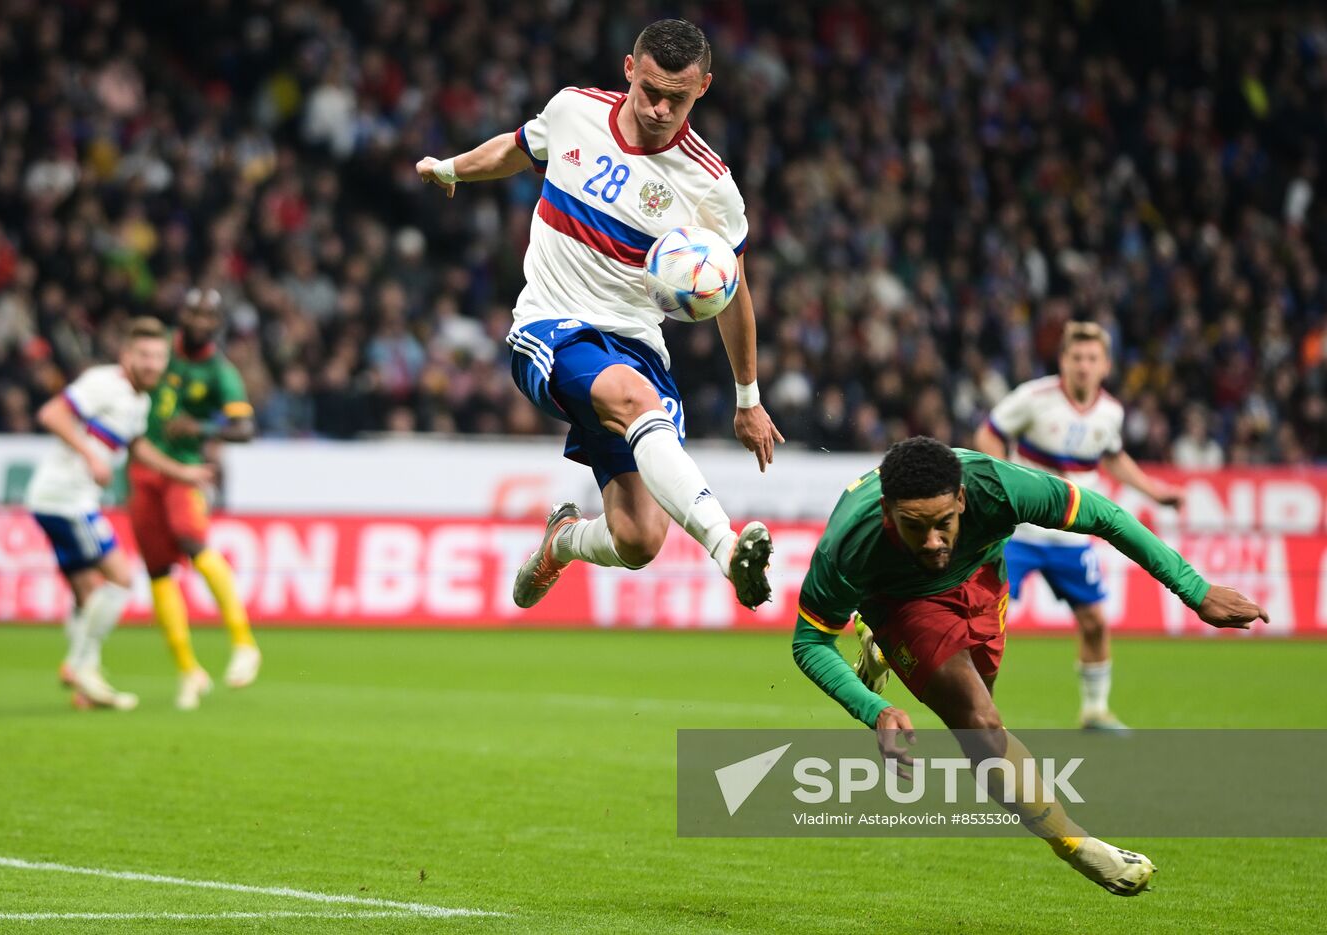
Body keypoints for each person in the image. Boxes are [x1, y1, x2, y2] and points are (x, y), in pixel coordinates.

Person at [792, 437, 1266, 896]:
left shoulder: (996, 487)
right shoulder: (849, 544)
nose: (933, 541)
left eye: (943, 523)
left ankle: (883, 649)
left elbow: (1106, 516)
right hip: (901, 602)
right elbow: (810, 642)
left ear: (961, 498)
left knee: (984, 701)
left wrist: (1196, 591)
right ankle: (1074, 843)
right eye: (915, 526)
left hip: (982, 578)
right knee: (981, 725)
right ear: (886, 512)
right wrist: (873, 708)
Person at [415, 18, 781, 612]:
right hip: (551, 327)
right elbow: (517, 148)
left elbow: (733, 288)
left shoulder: (711, 185)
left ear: (704, 88)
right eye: (651, 92)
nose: (661, 109)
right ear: (629, 70)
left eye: (678, 98)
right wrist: (452, 168)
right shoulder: (573, 111)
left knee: (639, 539)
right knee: (634, 401)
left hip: (636, 345)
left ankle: (562, 542)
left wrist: (748, 398)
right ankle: (726, 546)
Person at [973, 321, 1184, 731]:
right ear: (1063, 361)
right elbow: (988, 434)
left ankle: (1095, 710)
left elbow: (1113, 457)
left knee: (1095, 622)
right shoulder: (1033, 398)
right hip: (1020, 533)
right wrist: (1005, 480)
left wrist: (1153, 491)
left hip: (1072, 538)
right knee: (987, 622)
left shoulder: (1111, 412)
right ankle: (975, 714)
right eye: (1076, 358)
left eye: (1092, 358)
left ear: (1105, 365)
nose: (1084, 366)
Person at [25, 317, 214, 710]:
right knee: (121, 577)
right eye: (143, 355)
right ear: (126, 355)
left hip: (64, 500)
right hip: (65, 499)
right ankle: (79, 666)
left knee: (87, 592)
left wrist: (184, 473)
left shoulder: (139, 401)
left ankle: (85, 689)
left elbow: (138, 448)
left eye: (159, 357)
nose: (152, 364)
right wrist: (91, 456)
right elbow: (52, 415)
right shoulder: (103, 383)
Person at [128, 288, 259, 711]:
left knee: (191, 539)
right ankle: (189, 671)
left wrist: (202, 429)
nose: (200, 319)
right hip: (141, 467)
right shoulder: (158, 348)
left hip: (184, 470)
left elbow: (244, 429)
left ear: (218, 323)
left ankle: (244, 642)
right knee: (158, 570)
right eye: (193, 311)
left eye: (208, 314)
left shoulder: (221, 373)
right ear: (181, 314)